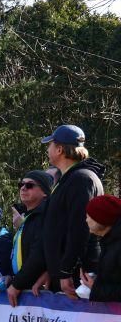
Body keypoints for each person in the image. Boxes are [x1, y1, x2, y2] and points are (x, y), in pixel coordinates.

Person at [41, 124, 105, 298]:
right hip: (67, 274)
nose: (47, 149)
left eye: (50, 144)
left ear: (59, 149)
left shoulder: (81, 179)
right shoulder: (70, 178)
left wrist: (66, 271)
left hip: (79, 278)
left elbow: (79, 229)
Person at [6, 170, 53, 307]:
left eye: (30, 185)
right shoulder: (29, 217)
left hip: (38, 291)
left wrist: (17, 284)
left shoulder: (45, 215)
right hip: (25, 287)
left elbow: (38, 255)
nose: (23, 188)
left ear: (45, 192)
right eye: (21, 184)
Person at [81, 194, 121, 302]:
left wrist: (96, 288)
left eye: (89, 216)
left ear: (101, 218)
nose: (86, 220)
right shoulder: (110, 240)